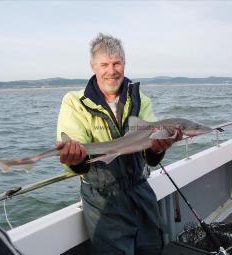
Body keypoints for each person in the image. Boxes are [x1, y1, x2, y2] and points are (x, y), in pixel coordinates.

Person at [56, 33, 181, 255]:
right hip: (102, 196)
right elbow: (74, 158)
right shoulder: (75, 102)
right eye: (104, 64)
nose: (111, 70)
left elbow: (150, 156)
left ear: (124, 64)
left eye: (117, 63)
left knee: (152, 247)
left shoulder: (139, 99)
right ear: (93, 66)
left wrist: (158, 149)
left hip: (139, 188)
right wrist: (75, 159)